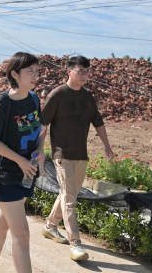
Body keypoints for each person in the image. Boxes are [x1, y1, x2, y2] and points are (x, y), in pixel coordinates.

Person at [40, 55, 115, 261]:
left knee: (68, 194)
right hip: (62, 154)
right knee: (70, 200)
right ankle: (75, 244)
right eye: (80, 71)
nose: (84, 75)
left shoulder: (88, 97)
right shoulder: (57, 95)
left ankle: (50, 226)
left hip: (81, 155)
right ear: (69, 71)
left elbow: (98, 123)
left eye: (87, 72)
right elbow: (43, 124)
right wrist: (39, 150)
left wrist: (107, 146)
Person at [0, 52, 46, 273]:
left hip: (28, 172)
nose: (35, 75)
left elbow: (41, 128)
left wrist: (40, 149)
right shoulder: (3, 103)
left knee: (2, 225)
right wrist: (19, 159)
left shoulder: (34, 99)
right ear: (15, 74)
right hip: (7, 174)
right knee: (22, 234)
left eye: (37, 71)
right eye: (30, 71)